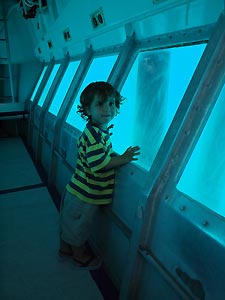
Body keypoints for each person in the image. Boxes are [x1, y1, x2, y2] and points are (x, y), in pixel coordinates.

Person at [59, 81, 140, 269]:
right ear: (87, 109)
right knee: (79, 226)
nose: (107, 109)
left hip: (78, 190)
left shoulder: (97, 131)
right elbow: (99, 164)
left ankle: (64, 249)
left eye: (111, 103)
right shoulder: (95, 136)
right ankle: (79, 256)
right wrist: (125, 158)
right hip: (85, 195)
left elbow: (102, 155)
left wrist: (115, 156)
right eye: (100, 104)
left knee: (70, 222)